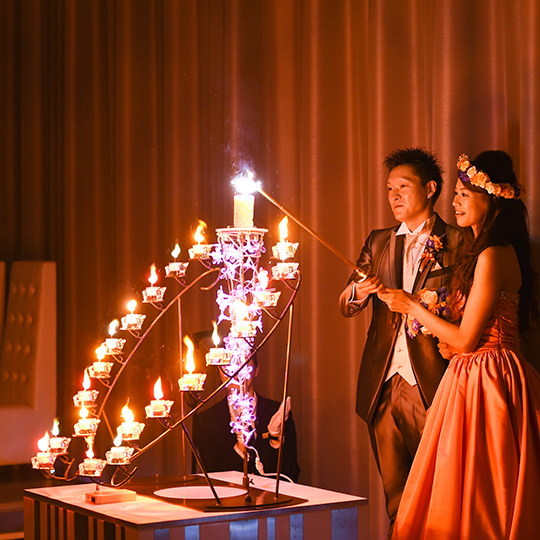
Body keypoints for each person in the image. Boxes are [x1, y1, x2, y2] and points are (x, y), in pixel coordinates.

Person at [379, 151, 540, 539]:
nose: (455, 202)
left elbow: (467, 339)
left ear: (492, 199)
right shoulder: (481, 252)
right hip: (469, 374)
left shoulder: (494, 254)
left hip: (489, 377)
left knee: (481, 488)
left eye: (465, 195)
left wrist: (413, 307)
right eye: (455, 194)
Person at [339, 147, 460, 536]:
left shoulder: (458, 241)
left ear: (430, 189)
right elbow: (345, 304)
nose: (393, 196)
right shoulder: (378, 241)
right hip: (383, 386)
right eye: (390, 188)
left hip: (433, 384)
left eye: (403, 187)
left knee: (439, 494)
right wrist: (359, 290)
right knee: (397, 498)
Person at [192, 355, 300, 482]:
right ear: (219, 372)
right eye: (227, 364)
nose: (235, 370)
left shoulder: (277, 412)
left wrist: (275, 440)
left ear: (256, 369)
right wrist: (240, 448)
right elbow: (214, 475)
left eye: (242, 362)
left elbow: (291, 472)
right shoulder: (206, 420)